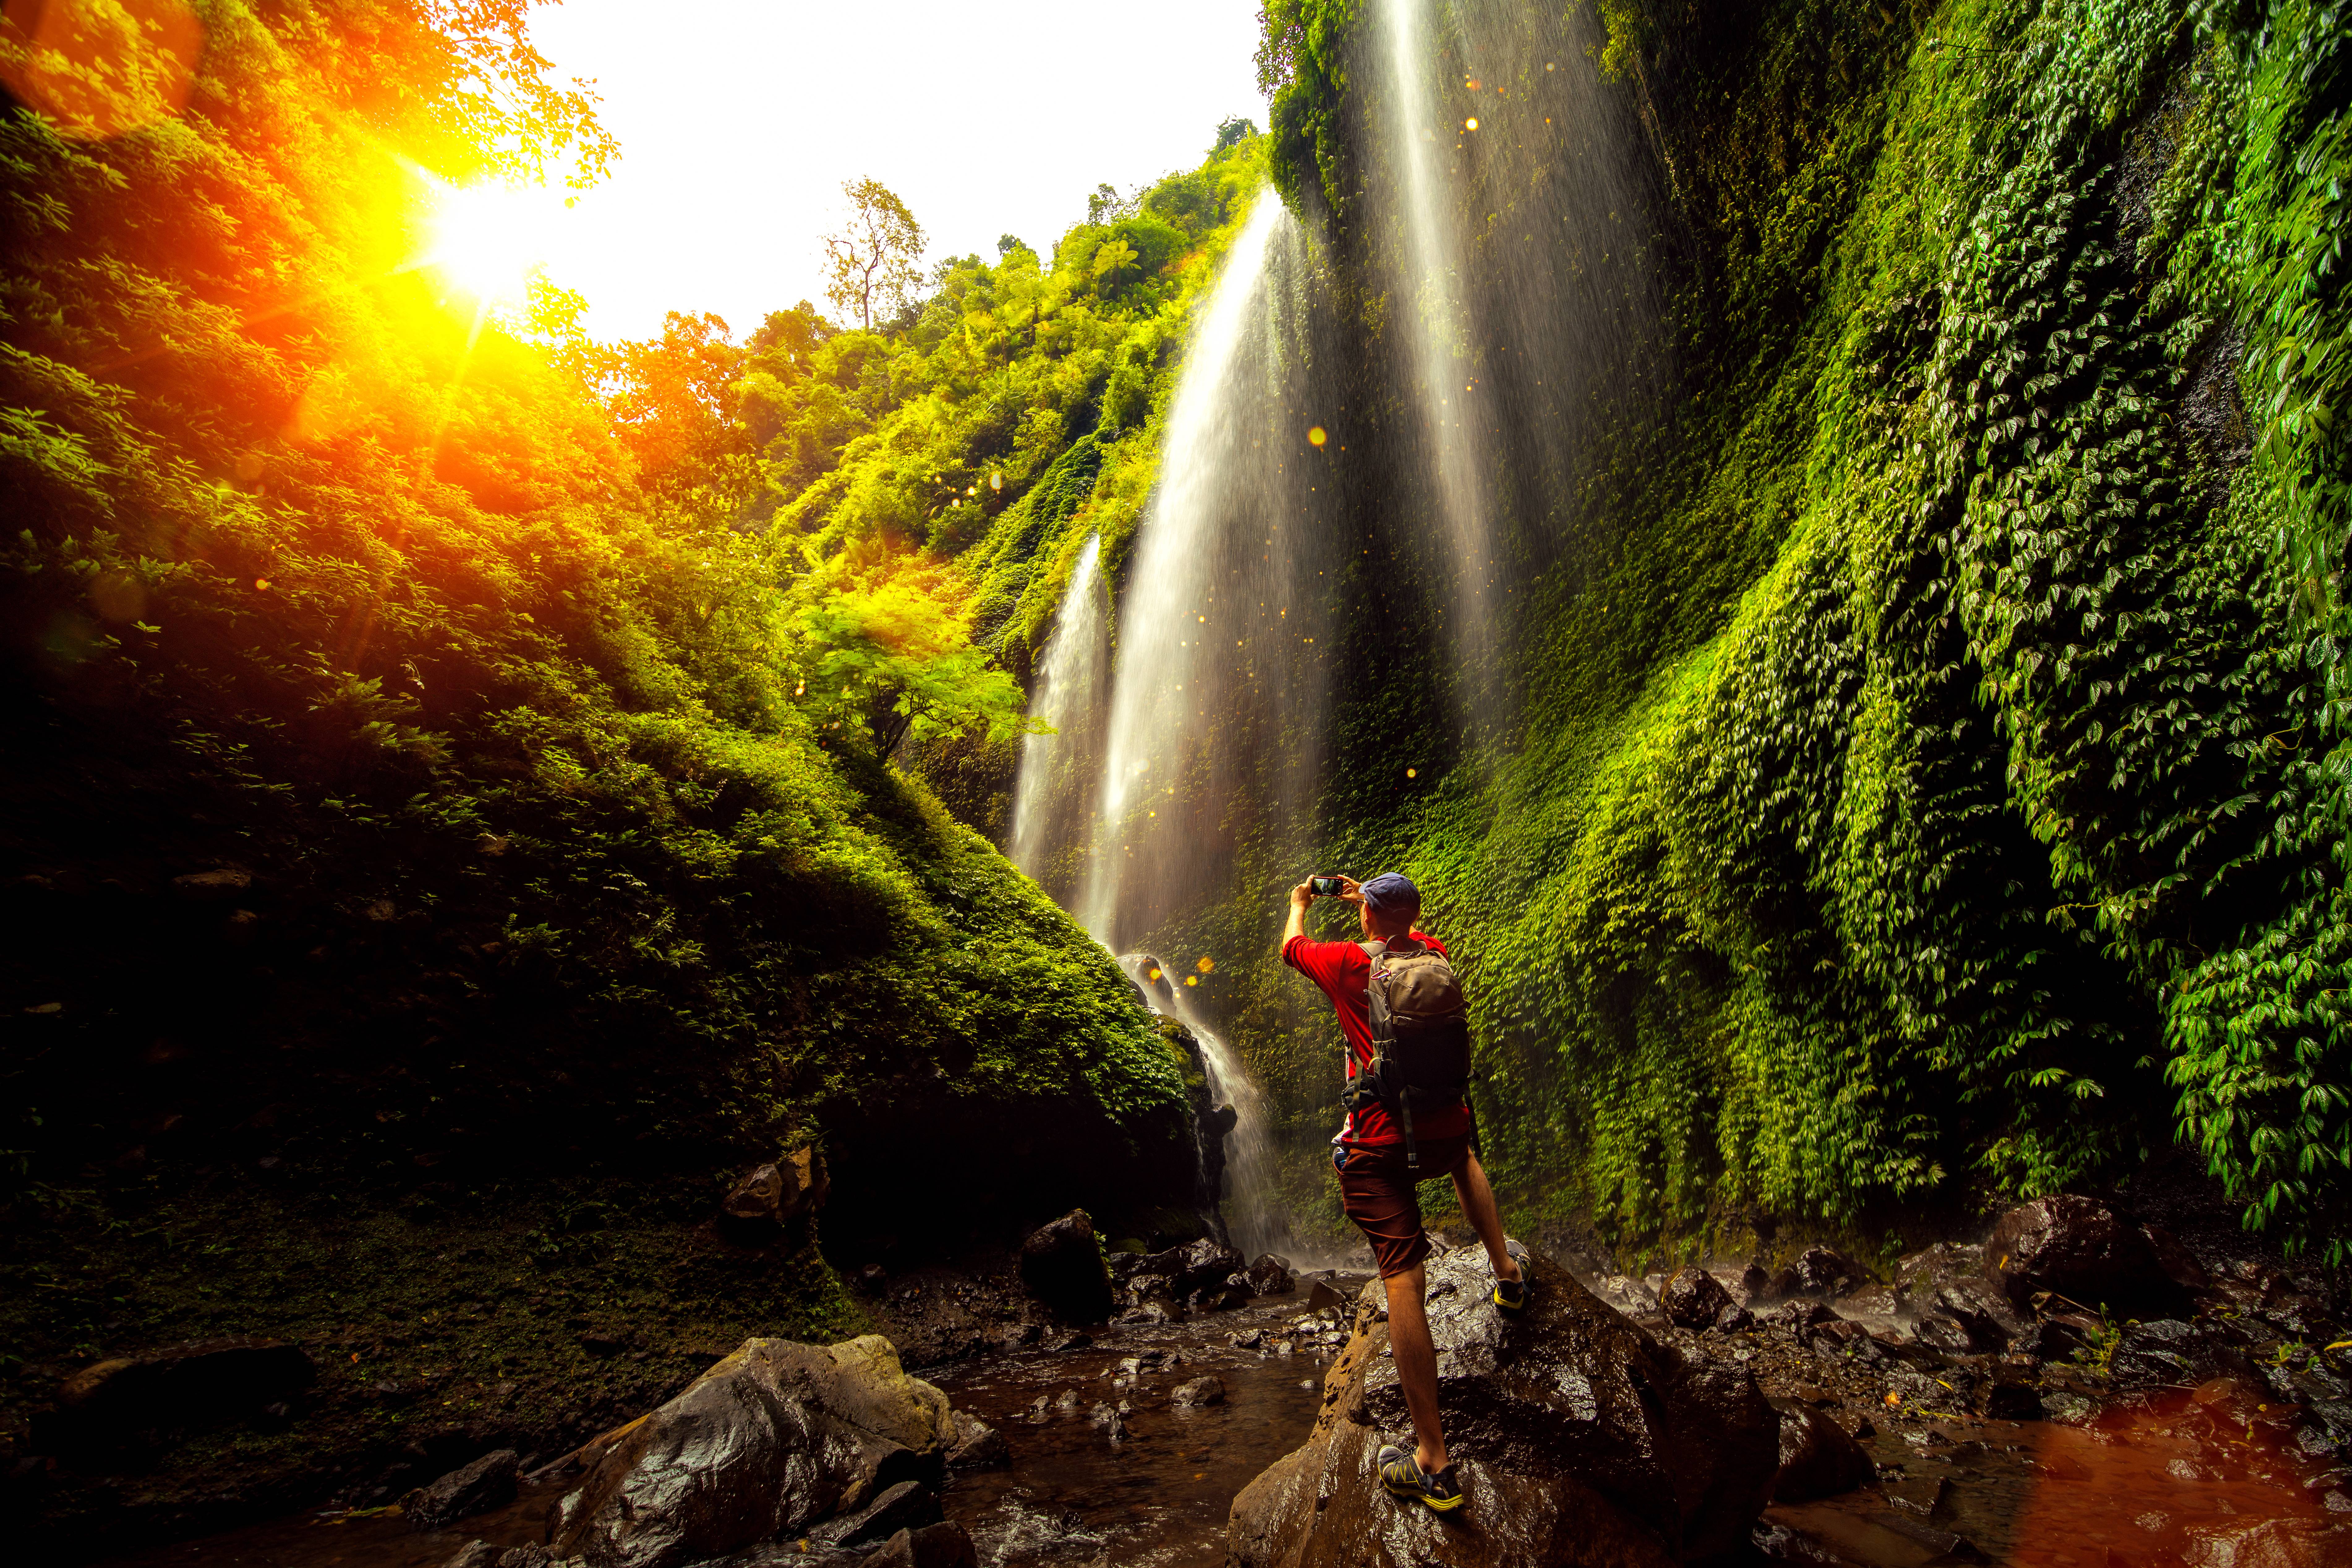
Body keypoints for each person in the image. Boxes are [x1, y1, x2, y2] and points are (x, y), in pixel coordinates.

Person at [1281, 870, 1528, 1513]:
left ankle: (1434, 1462)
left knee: (1404, 1280)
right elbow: (1400, 931)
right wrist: (1376, 898)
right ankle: (1507, 1272)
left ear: (1365, 915)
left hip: (1381, 1147)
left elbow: (1291, 947)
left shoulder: (1345, 964)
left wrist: (1300, 903)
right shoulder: (1436, 952)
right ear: (1415, 916)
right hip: (1444, 1123)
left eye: (1364, 907)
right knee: (1464, 1155)